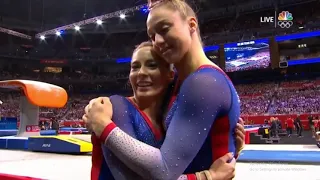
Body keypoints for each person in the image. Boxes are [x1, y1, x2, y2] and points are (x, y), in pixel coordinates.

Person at [84, 0, 242, 179]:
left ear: (191, 24)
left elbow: (164, 170)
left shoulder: (202, 82)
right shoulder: (181, 84)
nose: (158, 41)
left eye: (165, 28)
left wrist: (103, 126)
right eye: (152, 36)